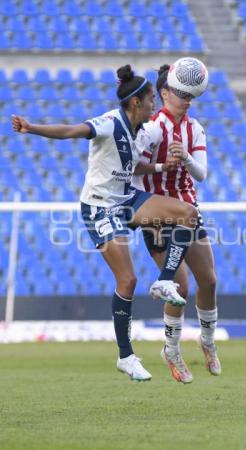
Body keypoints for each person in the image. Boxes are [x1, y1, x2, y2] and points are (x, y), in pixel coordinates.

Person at [11, 64, 198, 382]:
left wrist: (161, 167)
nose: (155, 104)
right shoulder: (110, 122)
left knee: (188, 214)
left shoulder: (139, 130)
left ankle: (165, 280)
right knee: (127, 281)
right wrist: (32, 128)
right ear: (136, 102)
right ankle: (126, 357)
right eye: (151, 98)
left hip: (126, 201)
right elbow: (71, 131)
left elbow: (133, 167)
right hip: (100, 209)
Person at [133, 64, 221, 383]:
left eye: (190, 96)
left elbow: (202, 174)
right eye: (180, 94)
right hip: (157, 214)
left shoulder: (194, 128)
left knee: (209, 281)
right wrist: (160, 165)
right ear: (165, 93)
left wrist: (184, 158)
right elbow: (131, 167)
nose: (186, 100)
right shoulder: (152, 128)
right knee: (180, 286)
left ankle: (207, 342)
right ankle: (171, 349)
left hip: (187, 210)